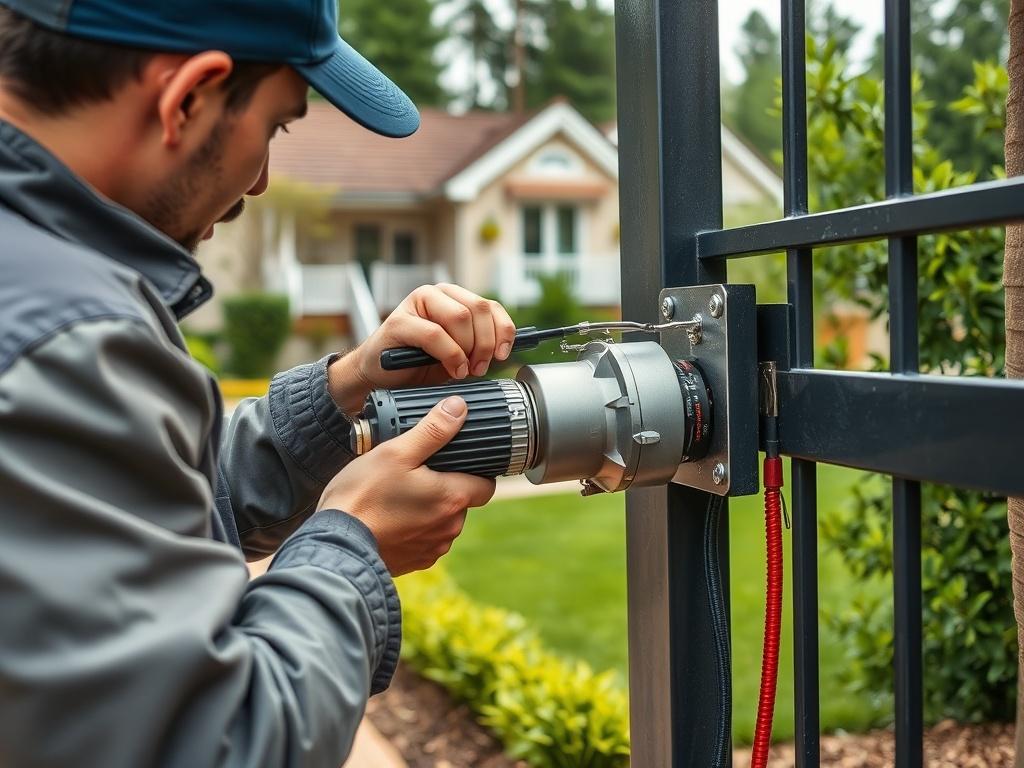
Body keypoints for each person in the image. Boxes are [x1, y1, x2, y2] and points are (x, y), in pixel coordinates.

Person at [0, 1, 518, 765]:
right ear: (189, 99)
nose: (264, 181)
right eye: (277, 126)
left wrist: (344, 394)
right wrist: (354, 545)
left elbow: (114, 517)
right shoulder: (67, 340)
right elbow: (216, 743)